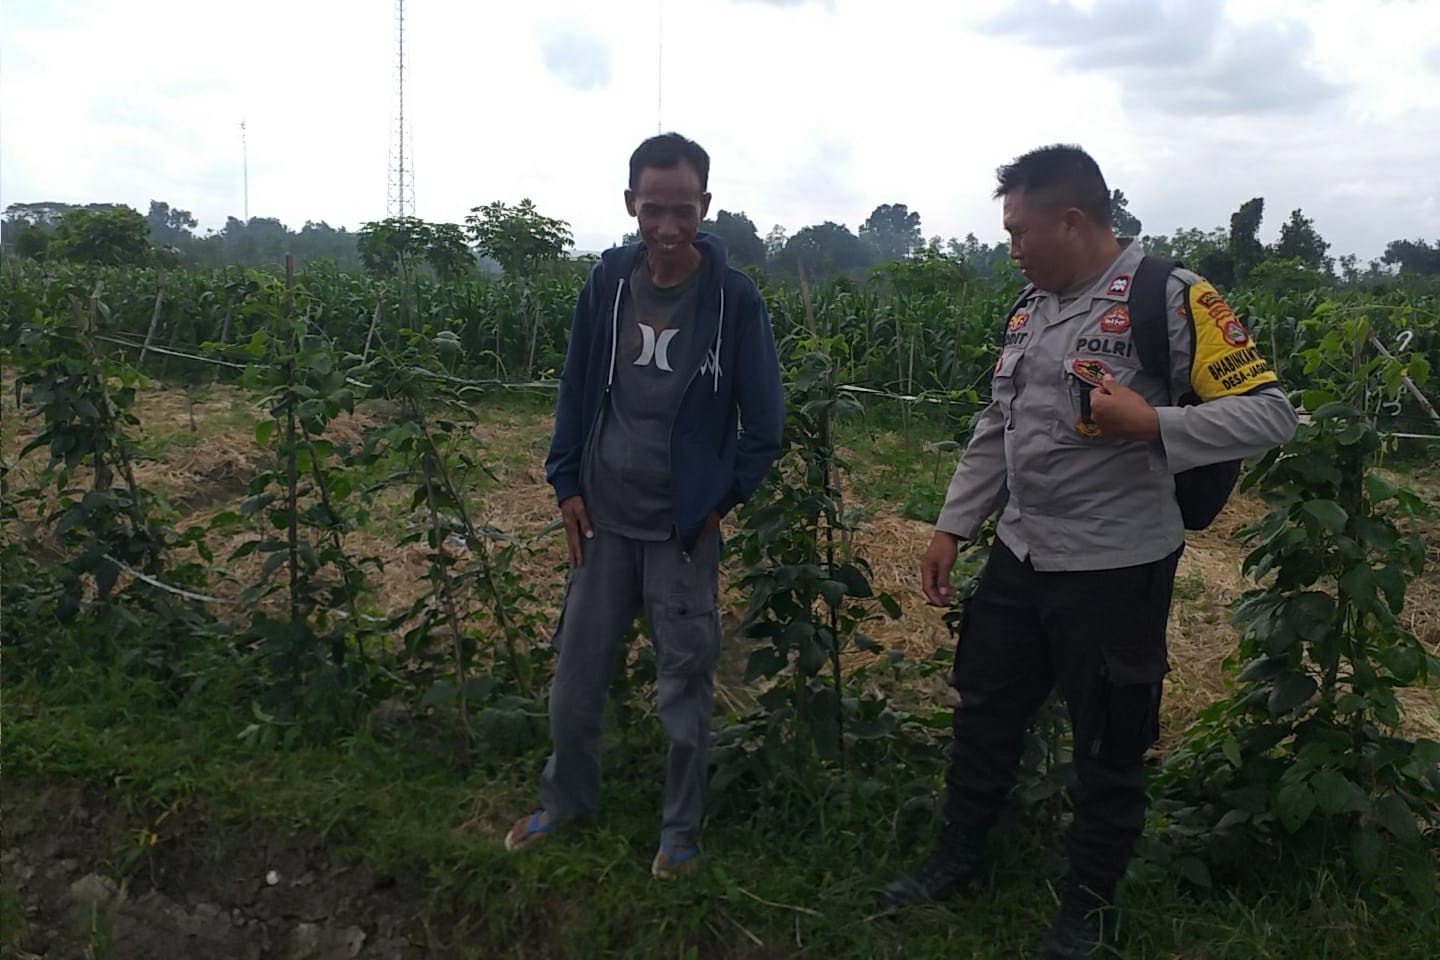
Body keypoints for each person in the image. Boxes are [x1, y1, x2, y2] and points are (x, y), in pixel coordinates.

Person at [877, 144, 1297, 957]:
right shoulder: (1030, 308)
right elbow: (998, 423)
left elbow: (1271, 415)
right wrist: (952, 526)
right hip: (1022, 553)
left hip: (1116, 566)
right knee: (985, 712)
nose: (1011, 247)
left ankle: (1088, 908)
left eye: (1018, 230)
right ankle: (957, 857)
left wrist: (1155, 423)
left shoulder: (1170, 298)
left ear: (1071, 221)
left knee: (1107, 742)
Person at [504, 132, 785, 880]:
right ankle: (566, 802)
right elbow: (575, 387)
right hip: (602, 523)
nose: (667, 226)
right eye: (653, 208)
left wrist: (720, 501)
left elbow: (765, 423)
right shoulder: (607, 284)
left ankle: (679, 834)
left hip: (681, 532)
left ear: (705, 206)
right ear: (631, 203)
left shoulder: (732, 300)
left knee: (684, 690)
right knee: (574, 682)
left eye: (682, 209)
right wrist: (566, 483)